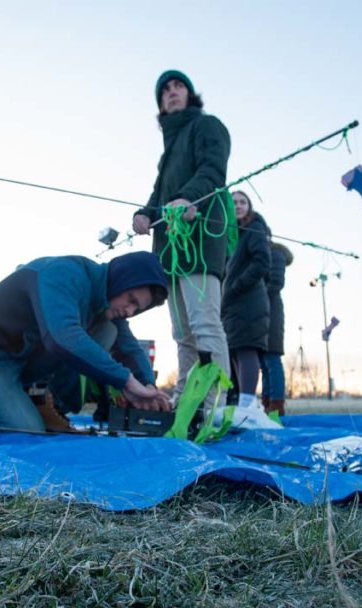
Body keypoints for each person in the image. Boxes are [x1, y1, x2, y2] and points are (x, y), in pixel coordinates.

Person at [0, 252, 171, 432]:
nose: (129, 311)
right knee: (25, 430)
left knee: (108, 331)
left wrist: (148, 386)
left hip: (24, 361)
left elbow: (129, 347)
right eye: (131, 300)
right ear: (121, 278)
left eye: (136, 309)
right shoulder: (64, 273)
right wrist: (127, 382)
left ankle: (52, 407)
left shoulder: (107, 305)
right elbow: (62, 338)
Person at [132, 70, 231, 405]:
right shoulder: (168, 151)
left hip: (200, 243)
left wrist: (189, 198)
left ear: (190, 95)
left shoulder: (207, 126)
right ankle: (185, 400)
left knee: (205, 324)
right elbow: (160, 194)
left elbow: (213, 170)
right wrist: (145, 213)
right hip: (170, 252)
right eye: (165, 90)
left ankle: (213, 402)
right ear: (160, 103)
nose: (172, 92)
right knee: (182, 334)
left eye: (179, 87)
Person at [221, 190, 272, 420]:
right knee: (235, 349)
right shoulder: (232, 235)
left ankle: (248, 403)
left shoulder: (255, 228)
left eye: (243, 202)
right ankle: (245, 401)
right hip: (233, 301)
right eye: (233, 202)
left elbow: (262, 261)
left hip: (249, 299)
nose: (238, 205)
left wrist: (237, 285)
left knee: (246, 348)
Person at [262, 240, 293, 416]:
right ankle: (266, 403)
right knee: (265, 363)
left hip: (271, 313)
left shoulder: (276, 254)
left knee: (272, 360)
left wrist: (258, 298)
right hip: (262, 312)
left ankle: (276, 405)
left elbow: (276, 282)